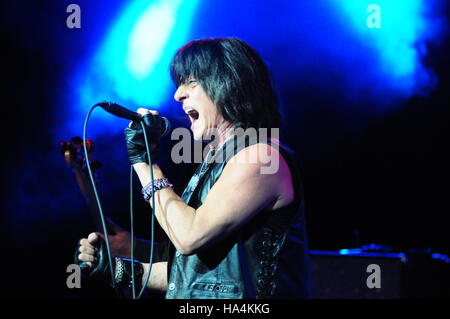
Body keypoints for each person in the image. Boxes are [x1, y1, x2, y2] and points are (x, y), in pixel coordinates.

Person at [76, 37, 311, 298]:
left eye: (191, 82)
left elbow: (189, 236)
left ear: (228, 84)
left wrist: (144, 163)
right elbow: (190, 277)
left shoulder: (261, 157)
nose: (178, 94)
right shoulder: (215, 162)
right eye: (179, 84)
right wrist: (117, 269)